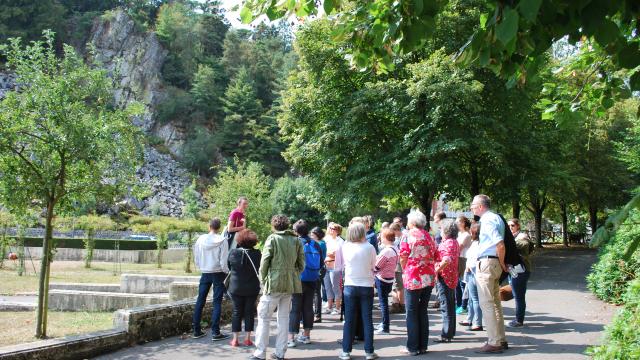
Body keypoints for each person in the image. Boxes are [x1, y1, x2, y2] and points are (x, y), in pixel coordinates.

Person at [250, 215, 305, 360]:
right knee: (283, 318)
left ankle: (260, 353)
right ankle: (280, 353)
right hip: (289, 284)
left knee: (264, 317)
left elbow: (264, 263)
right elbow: (302, 264)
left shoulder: (272, 239)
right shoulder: (296, 240)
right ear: (287, 225)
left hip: (273, 284)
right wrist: (292, 274)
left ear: (273, 225)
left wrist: (263, 281)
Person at [335, 221, 378, 360]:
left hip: (350, 286)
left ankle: (346, 351)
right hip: (367, 286)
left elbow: (339, 266)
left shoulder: (345, 247)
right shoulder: (370, 247)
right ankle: (369, 352)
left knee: (349, 320)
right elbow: (374, 266)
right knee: (367, 319)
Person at [470, 194, 508, 354]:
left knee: (486, 303)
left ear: (480, 206)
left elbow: (499, 243)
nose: (471, 207)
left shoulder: (487, 220)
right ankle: (500, 338)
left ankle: (494, 341)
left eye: (473, 205)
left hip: (487, 263)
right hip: (494, 263)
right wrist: (502, 263)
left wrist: (502, 262)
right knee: (495, 303)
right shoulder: (497, 218)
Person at [399, 209, 438, 356]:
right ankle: (423, 345)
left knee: (412, 312)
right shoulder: (429, 236)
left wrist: (405, 270)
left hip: (413, 276)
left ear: (413, 222)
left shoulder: (408, 236)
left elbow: (403, 256)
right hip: (428, 276)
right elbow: (435, 254)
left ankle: (412, 347)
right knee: (422, 310)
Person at [192, 218, 230, 341]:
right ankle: (215, 332)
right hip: (218, 273)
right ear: (219, 228)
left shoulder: (200, 239)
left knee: (200, 301)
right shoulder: (222, 240)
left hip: (205, 272)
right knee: (217, 302)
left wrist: (201, 266)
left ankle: (196, 330)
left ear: (209, 226)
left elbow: (196, 256)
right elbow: (224, 261)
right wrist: (226, 271)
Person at [288, 219, 322, 347]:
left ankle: (291, 338)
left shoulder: (295, 243)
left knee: (295, 308)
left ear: (295, 231)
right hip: (312, 278)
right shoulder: (315, 243)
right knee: (308, 307)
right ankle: (306, 336)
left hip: (298, 279)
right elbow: (321, 262)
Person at [227, 229, 262, 347]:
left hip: (236, 287)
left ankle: (235, 339)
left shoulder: (233, 253)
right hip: (252, 287)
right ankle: (247, 339)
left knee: (237, 311)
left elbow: (229, 267)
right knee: (249, 312)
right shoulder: (258, 254)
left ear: (239, 240)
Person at [434, 219, 460, 343]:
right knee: (450, 305)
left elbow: (446, 259)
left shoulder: (447, 243)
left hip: (445, 277)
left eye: (441, 229)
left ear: (445, 230)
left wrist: (437, 269)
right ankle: (450, 332)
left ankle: (446, 334)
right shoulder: (454, 242)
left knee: (446, 306)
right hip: (452, 276)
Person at [507, 218, 534, 328]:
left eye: (512, 225)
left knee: (519, 296)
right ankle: (518, 318)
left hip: (522, 270)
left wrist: (508, 244)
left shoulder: (522, 236)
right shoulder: (513, 237)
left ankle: (519, 320)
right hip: (514, 270)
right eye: (508, 226)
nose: (510, 228)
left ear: (518, 226)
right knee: (516, 294)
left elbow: (523, 246)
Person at [374, 228, 399, 335]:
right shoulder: (395, 248)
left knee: (383, 303)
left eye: (381, 236)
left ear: (385, 238)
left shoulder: (386, 251)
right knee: (384, 303)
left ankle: (385, 327)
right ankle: (384, 323)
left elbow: (376, 266)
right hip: (389, 278)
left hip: (382, 279)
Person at [459, 222, 483, 331]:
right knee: (471, 299)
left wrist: (469, 267)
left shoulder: (479, 244)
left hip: (474, 272)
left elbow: (476, 259)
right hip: (470, 272)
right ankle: (470, 319)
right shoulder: (475, 242)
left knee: (475, 299)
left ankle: (477, 322)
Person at [323, 222, 344, 315]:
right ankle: (330, 306)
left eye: (333, 229)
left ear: (338, 231)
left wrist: (331, 254)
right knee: (327, 287)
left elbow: (339, 254)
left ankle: (338, 307)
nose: (331, 230)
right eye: (330, 228)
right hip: (326, 265)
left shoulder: (340, 241)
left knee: (335, 287)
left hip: (335, 267)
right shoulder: (326, 239)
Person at [455, 216, 472, 314]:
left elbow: (459, 248)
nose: (456, 223)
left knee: (462, 282)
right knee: (458, 283)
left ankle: (464, 305)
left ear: (463, 223)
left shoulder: (466, 235)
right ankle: (459, 304)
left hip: (463, 259)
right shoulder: (459, 234)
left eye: (458, 221)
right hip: (459, 258)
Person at [310, 227, 327, 323]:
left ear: (317, 235)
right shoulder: (322, 243)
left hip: (317, 269)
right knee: (316, 292)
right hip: (320, 268)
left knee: (316, 292)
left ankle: (317, 315)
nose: (311, 236)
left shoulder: (319, 244)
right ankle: (317, 314)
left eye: (313, 234)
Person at [389, 222, 405, 312]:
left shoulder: (399, 239)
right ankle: (397, 303)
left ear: (396, 230)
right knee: (396, 285)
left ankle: (401, 305)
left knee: (399, 285)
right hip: (396, 264)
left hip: (398, 265)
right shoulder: (399, 238)